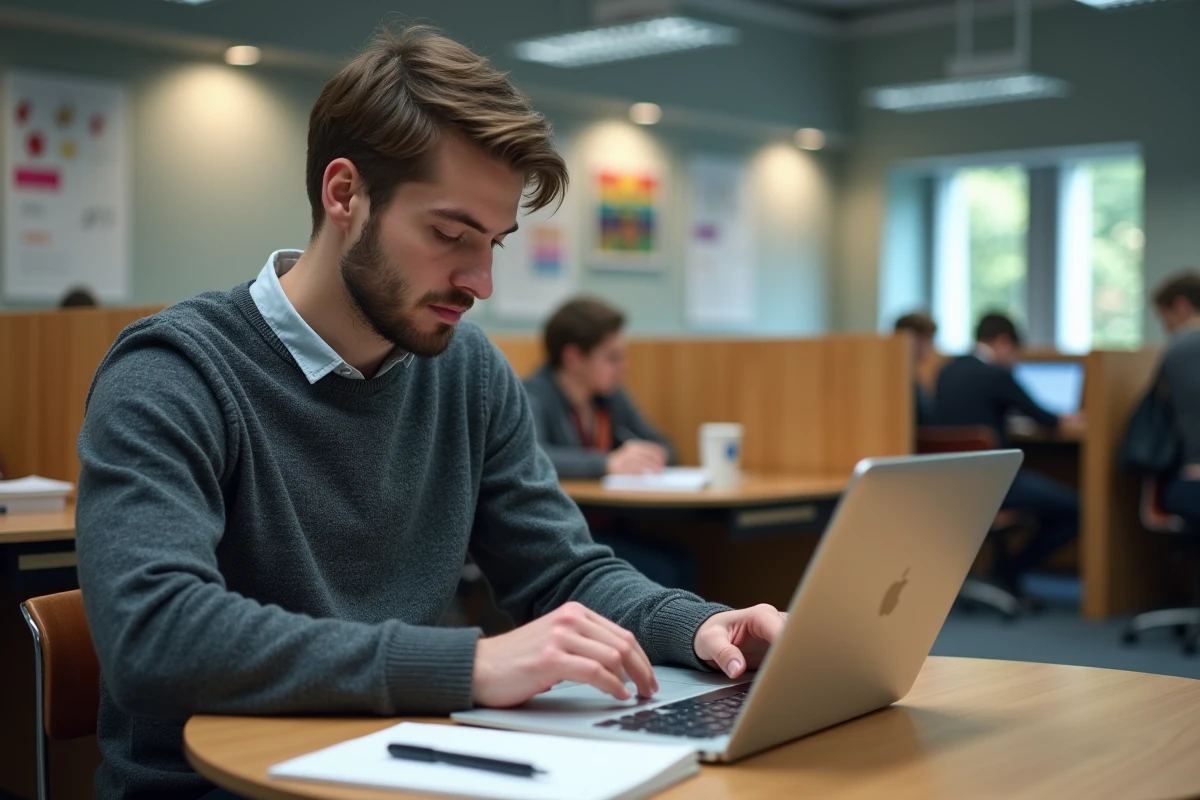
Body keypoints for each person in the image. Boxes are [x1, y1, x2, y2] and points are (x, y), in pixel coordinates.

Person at [74, 26, 784, 800]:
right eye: (449, 234)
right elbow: (153, 633)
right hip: (221, 785)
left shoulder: (467, 371)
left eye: (495, 244)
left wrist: (695, 625)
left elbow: (562, 571)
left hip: (409, 763)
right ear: (344, 195)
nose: (480, 282)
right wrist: (467, 665)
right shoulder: (173, 373)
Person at [523, 296, 694, 589]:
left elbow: (664, 445)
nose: (624, 366)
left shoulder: (610, 397)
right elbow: (534, 456)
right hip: (559, 535)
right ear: (574, 358)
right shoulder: (532, 395)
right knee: (662, 569)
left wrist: (653, 455)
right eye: (613, 358)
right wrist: (608, 463)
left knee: (683, 560)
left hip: (609, 527)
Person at [934, 313, 1085, 595]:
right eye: (1015, 353)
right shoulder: (997, 375)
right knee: (1077, 509)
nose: (1015, 360)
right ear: (1004, 342)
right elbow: (1045, 418)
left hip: (951, 483)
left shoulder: (947, 370)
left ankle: (1003, 574)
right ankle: (1007, 572)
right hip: (994, 483)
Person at [1152, 271, 1200, 522]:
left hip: (1193, 483)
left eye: (1165, 319)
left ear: (1182, 306)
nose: (1166, 329)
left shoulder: (1179, 349)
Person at [893, 311, 938, 426]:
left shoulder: (913, 375)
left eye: (929, 340)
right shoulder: (898, 379)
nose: (929, 346)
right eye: (923, 340)